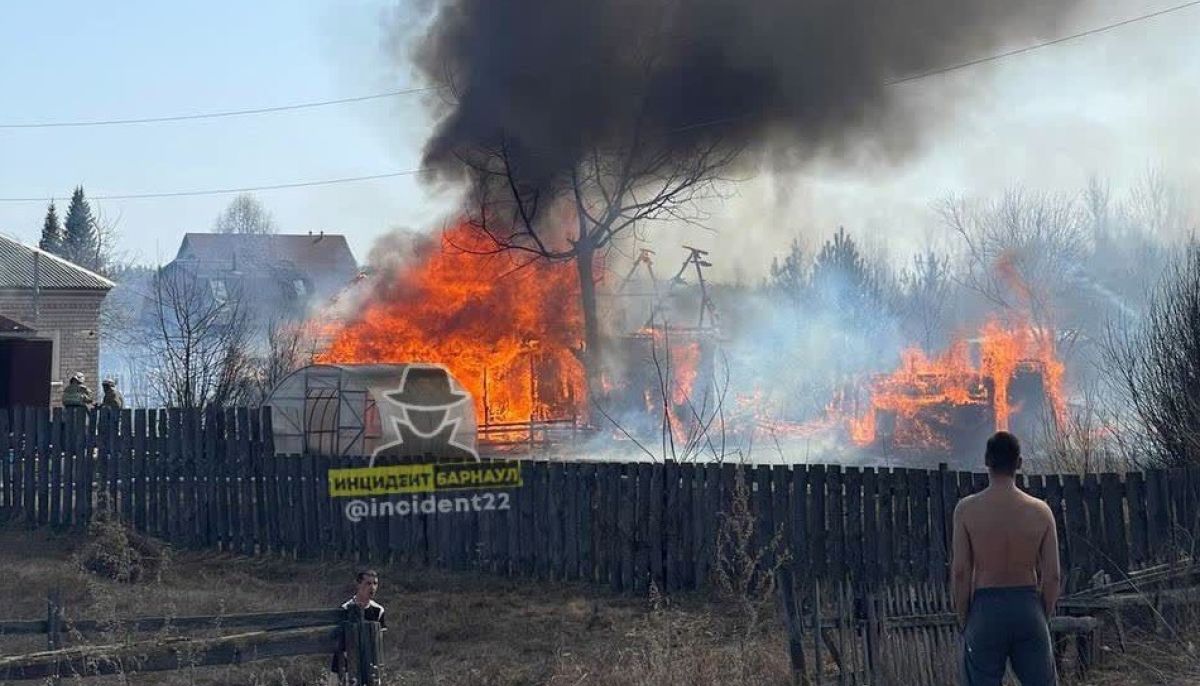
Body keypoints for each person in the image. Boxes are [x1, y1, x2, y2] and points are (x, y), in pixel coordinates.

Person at [952, 431, 1061, 685]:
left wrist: (965, 618)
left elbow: (960, 572)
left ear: (987, 461)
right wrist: (1041, 614)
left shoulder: (966, 510)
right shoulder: (1041, 512)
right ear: (1020, 463)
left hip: (985, 610)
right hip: (1028, 606)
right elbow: (1053, 575)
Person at [329, 569, 387, 678]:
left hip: (369, 664)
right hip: (345, 664)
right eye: (368, 583)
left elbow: (379, 641)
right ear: (358, 584)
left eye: (375, 583)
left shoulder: (378, 610)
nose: (372, 588)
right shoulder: (345, 609)